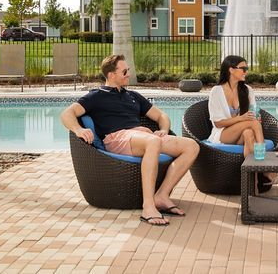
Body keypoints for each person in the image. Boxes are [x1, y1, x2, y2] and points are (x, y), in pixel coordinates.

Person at [59, 54, 199, 226]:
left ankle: (161, 196)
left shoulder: (132, 95)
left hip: (142, 136)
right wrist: (78, 129)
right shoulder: (96, 96)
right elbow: (67, 113)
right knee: (153, 142)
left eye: (128, 70)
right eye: (124, 71)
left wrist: (163, 129)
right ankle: (148, 207)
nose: (128, 74)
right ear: (111, 75)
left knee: (191, 146)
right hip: (117, 139)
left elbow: (161, 115)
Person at [208, 55, 277, 192]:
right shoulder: (217, 91)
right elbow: (218, 123)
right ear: (231, 70)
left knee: (248, 133)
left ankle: (253, 185)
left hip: (243, 131)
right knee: (252, 124)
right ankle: (267, 169)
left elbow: (254, 115)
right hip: (222, 134)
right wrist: (243, 118)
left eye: (247, 68)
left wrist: (254, 118)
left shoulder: (247, 90)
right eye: (243, 68)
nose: (246, 71)